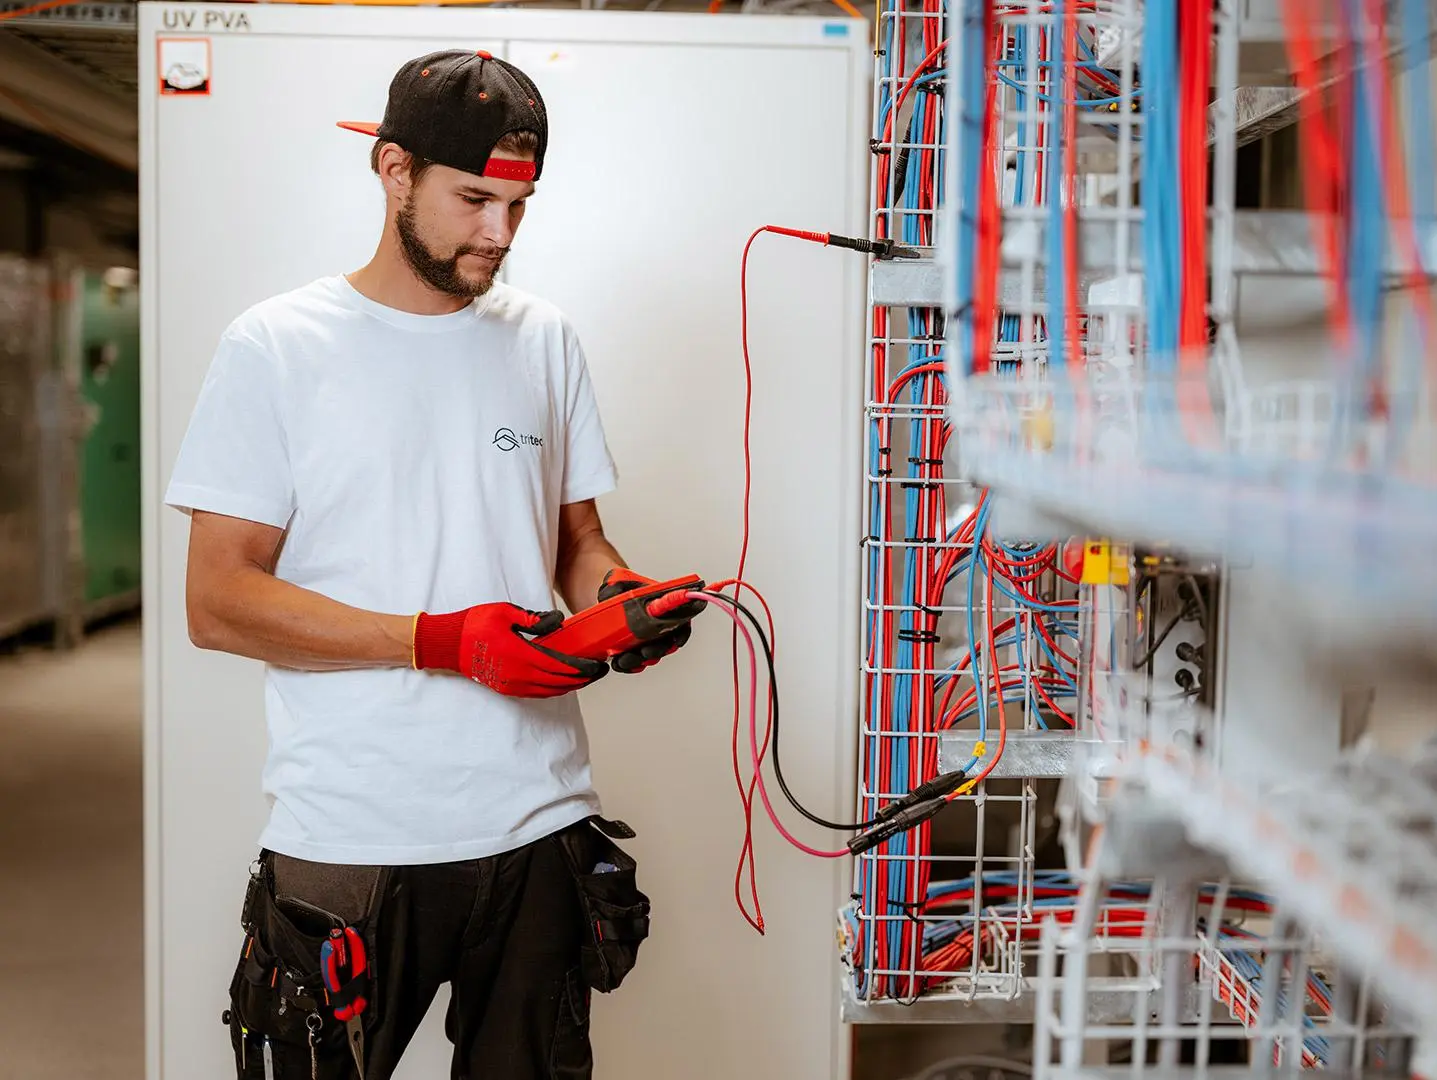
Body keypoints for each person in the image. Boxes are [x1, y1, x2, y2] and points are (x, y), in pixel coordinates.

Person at [164, 49, 698, 1080]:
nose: (498, 233)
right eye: (473, 199)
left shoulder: (543, 340)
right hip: (352, 837)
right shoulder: (276, 346)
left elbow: (574, 543)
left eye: (519, 204)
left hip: (540, 829)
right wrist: (443, 642)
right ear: (393, 168)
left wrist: (617, 603)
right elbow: (217, 600)